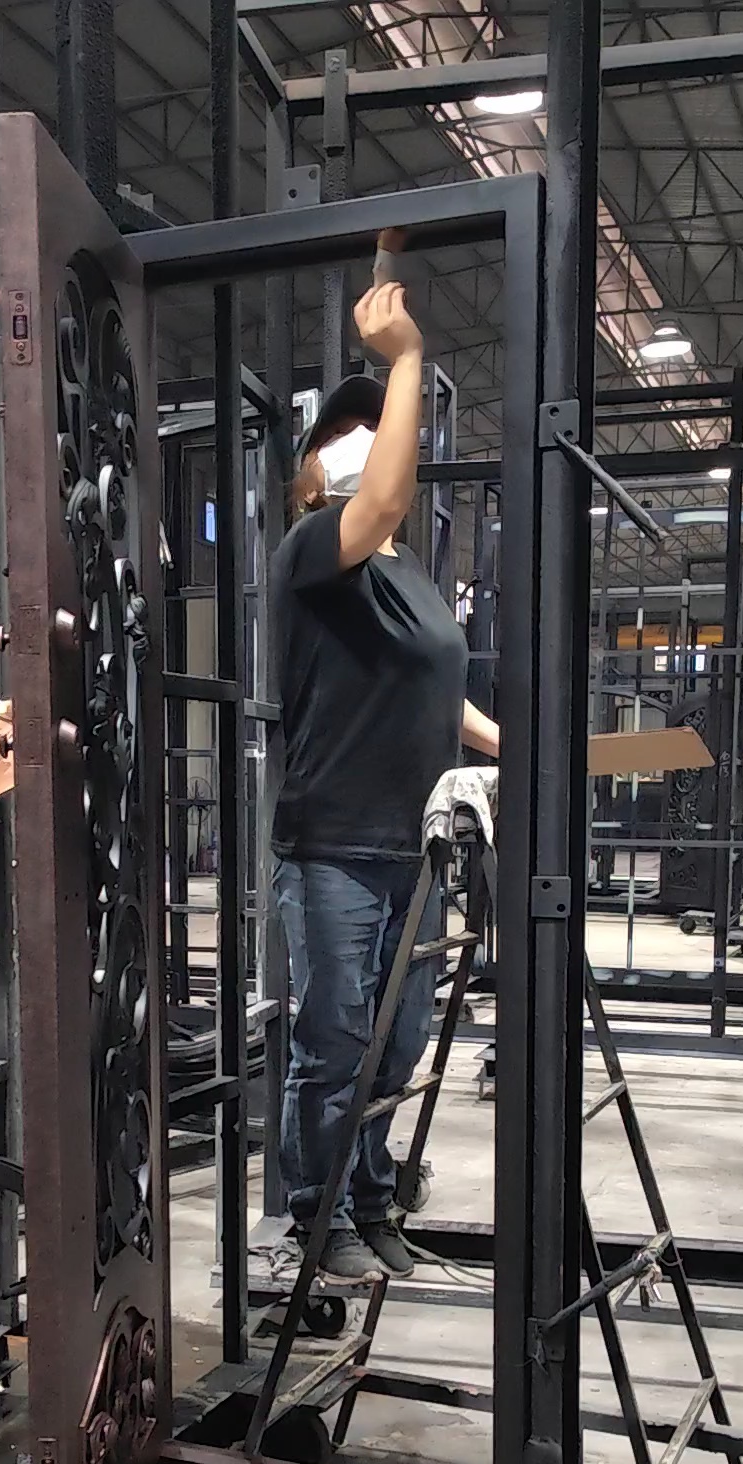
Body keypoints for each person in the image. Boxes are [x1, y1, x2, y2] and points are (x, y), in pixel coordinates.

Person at [270, 274, 499, 1284]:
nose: (361, 443)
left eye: (376, 428)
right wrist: (405, 359)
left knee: (395, 1049)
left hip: (417, 848)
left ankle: (369, 1204)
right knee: (334, 1046)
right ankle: (314, 1221)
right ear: (311, 470)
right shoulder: (315, 550)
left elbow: (435, 693)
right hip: (334, 847)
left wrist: (510, 744)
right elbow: (387, 496)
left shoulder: (411, 578)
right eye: (340, 436)